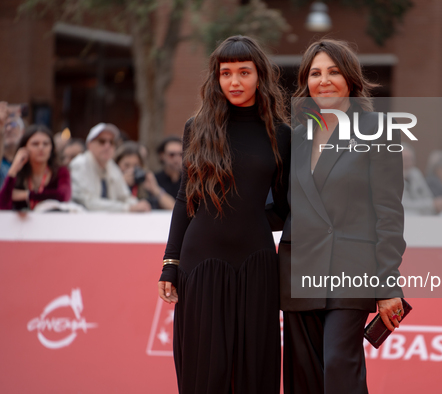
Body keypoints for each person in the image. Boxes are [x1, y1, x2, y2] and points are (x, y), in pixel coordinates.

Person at [157, 36, 290, 394]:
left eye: (244, 72)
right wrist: (171, 261)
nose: (234, 82)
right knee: (204, 370)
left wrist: (252, 221)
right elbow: (186, 198)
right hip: (201, 262)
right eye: (225, 73)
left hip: (258, 265)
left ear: (260, 75)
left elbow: (285, 206)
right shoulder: (197, 128)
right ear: (216, 78)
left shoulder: (280, 134)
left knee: (254, 370)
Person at [279, 39, 406, 394]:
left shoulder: (376, 131)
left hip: (353, 268)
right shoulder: (298, 136)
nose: (324, 81)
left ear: (350, 78)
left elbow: (389, 214)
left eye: (333, 71)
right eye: (315, 73)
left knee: (338, 364)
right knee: (303, 376)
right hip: (300, 266)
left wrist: (387, 283)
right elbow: (283, 204)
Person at [69, 123, 151, 212]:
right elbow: (89, 203)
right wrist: (128, 208)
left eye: (111, 142)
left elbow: (124, 196)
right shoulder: (80, 164)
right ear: (90, 144)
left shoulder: (111, 166)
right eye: (102, 141)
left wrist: (138, 204)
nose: (107, 146)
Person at [0, 124, 71, 210]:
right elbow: (2, 205)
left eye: (46, 144)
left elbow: (63, 196)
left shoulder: (61, 171)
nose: (41, 148)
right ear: (24, 148)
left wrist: (27, 195)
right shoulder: (19, 171)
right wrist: (13, 169)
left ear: (52, 148)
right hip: (22, 223)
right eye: (35, 144)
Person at [114, 141, 175, 210]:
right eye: (126, 165)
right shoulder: (111, 181)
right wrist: (121, 183)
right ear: (117, 164)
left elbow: (172, 207)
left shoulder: (144, 183)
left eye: (136, 165)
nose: (131, 170)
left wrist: (155, 189)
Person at [401, 142, 435, 215]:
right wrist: (430, 205)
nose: (408, 163)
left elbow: (428, 196)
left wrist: (431, 204)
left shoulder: (416, 173)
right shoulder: (390, 179)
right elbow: (403, 205)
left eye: (411, 159)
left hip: (422, 218)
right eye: (405, 159)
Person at [0, 104, 25, 188]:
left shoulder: (28, 159)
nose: (8, 129)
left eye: (13, 124)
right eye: (5, 125)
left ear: (22, 131)